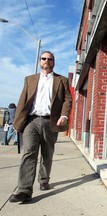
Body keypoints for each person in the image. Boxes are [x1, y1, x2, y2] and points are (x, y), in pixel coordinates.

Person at [9, 51, 72, 203]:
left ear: (54, 62)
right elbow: (22, 101)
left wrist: (64, 115)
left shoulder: (61, 80)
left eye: (50, 59)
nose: (47, 61)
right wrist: (17, 123)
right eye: (44, 58)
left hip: (51, 121)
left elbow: (67, 99)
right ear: (39, 61)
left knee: (47, 153)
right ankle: (24, 190)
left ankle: (44, 179)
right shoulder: (30, 79)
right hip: (32, 121)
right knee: (29, 152)